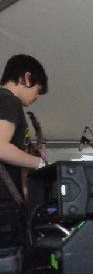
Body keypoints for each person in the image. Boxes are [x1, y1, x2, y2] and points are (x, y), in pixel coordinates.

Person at [0, 54, 48, 250]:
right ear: (26, 78)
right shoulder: (9, 102)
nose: (37, 96)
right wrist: (40, 164)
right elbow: (1, 147)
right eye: (38, 89)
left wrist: (30, 152)